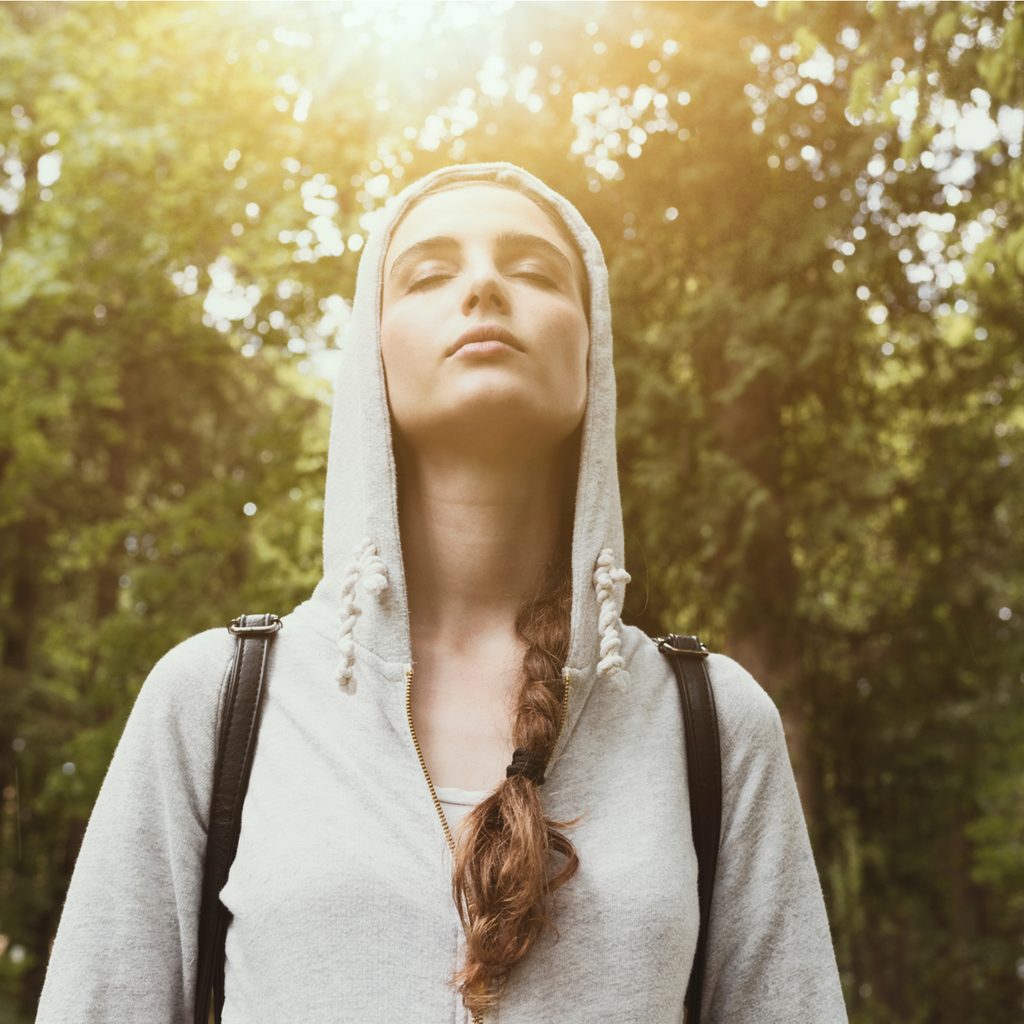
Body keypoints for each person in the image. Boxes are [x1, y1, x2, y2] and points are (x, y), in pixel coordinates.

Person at [35, 161, 848, 1023]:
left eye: (535, 271)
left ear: (591, 348)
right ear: (372, 351)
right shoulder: (214, 703)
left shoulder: (711, 724)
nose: (487, 285)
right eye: (428, 274)